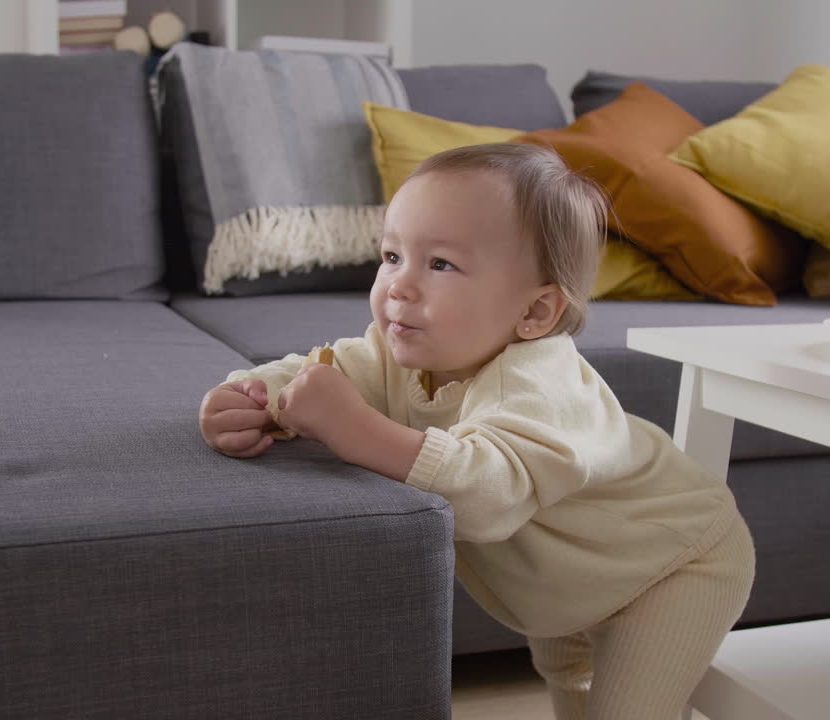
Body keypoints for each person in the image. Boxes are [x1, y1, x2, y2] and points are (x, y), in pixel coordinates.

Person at [198, 143, 755, 720]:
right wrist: (250, 398)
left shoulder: (540, 382)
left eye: (440, 264)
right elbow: (318, 371)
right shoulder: (395, 351)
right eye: (392, 255)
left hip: (671, 563)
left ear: (534, 313)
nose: (399, 286)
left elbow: (489, 496)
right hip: (572, 575)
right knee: (569, 680)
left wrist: (354, 428)